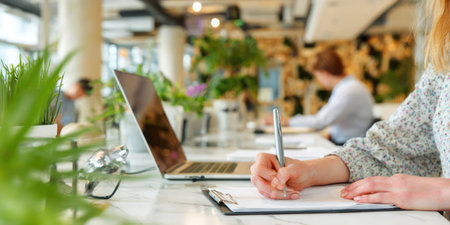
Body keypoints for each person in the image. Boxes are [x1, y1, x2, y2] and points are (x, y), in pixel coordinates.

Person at [251, 0, 449, 211]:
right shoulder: (444, 58)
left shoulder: (349, 90)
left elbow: (321, 121)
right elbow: (391, 149)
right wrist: (310, 170)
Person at [266, 49, 374, 145]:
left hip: (346, 145)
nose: (318, 80)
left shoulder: (350, 90)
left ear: (324, 73)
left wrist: (286, 121)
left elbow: (320, 121)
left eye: (317, 76)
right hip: (343, 142)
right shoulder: (347, 87)